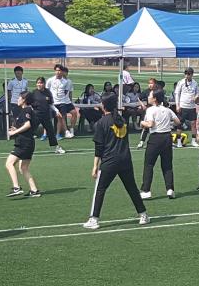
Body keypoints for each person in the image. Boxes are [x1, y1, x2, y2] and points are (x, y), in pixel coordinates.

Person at [83, 94, 149, 230]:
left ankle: (94, 219)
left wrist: (95, 166)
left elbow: (99, 148)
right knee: (132, 189)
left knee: (100, 189)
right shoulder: (122, 120)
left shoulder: (101, 123)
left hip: (109, 161)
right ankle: (143, 215)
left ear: (103, 106)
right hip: (125, 160)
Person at [140, 89, 180, 200]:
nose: (148, 97)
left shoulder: (150, 110)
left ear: (155, 99)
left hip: (155, 138)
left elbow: (151, 124)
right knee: (167, 165)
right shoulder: (167, 110)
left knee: (149, 164)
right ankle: (170, 189)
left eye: (150, 95)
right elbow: (177, 121)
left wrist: (142, 122)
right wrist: (168, 124)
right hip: (167, 137)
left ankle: (146, 190)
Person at [5, 91, 41, 198]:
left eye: (19, 98)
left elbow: (27, 125)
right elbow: (27, 126)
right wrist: (16, 129)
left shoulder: (27, 110)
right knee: (23, 168)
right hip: (28, 142)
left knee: (9, 163)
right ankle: (34, 190)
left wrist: (14, 132)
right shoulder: (26, 111)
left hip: (24, 143)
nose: (18, 99)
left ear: (24, 100)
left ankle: (16, 188)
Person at [29, 77, 65, 155]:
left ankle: (56, 147)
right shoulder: (33, 93)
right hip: (36, 115)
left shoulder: (48, 92)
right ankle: (26, 148)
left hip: (46, 115)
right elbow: (29, 104)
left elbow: (51, 104)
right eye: (38, 83)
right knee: (30, 131)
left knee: (51, 132)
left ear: (44, 84)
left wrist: (57, 111)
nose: (39, 84)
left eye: (41, 83)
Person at [46, 64, 76, 138]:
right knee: (50, 117)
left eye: (59, 70)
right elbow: (46, 90)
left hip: (63, 101)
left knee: (63, 116)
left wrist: (68, 101)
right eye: (57, 70)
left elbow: (66, 93)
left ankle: (67, 131)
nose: (58, 72)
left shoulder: (66, 82)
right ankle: (46, 133)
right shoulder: (50, 80)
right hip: (53, 102)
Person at [173, 67, 199, 148]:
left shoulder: (195, 83)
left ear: (192, 74)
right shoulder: (181, 82)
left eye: (188, 74)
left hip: (192, 106)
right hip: (183, 106)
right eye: (186, 74)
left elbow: (197, 93)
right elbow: (177, 94)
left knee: (193, 123)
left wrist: (196, 97)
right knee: (180, 124)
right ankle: (178, 142)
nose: (187, 75)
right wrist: (177, 105)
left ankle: (193, 141)